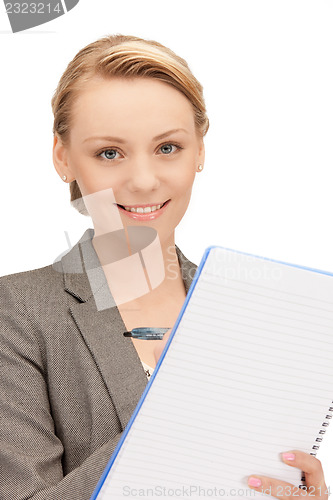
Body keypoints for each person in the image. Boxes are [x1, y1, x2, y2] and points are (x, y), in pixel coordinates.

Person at [0, 34, 328, 500]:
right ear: (63, 157)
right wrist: (180, 395)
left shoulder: (251, 317)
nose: (143, 180)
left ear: (199, 151)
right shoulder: (17, 312)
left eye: (168, 147)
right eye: (109, 153)